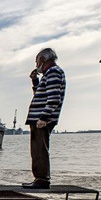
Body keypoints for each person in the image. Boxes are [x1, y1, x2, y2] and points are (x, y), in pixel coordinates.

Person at [23, 48, 66, 189]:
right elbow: (39, 95)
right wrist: (35, 81)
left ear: (42, 60)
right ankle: (40, 179)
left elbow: (54, 99)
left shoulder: (53, 72)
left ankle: (42, 180)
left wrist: (43, 118)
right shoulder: (49, 75)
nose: (36, 66)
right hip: (39, 118)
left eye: (37, 62)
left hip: (42, 120)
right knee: (37, 149)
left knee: (40, 150)